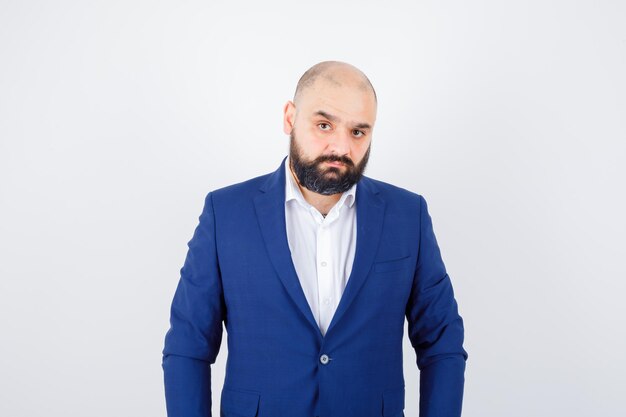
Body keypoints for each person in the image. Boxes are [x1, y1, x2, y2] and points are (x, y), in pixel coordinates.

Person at [162, 60, 468, 417]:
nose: (340, 147)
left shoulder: (407, 215)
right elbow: (187, 347)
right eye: (324, 125)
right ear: (290, 117)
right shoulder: (225, 213)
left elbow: (442, 343)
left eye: (358, 132)